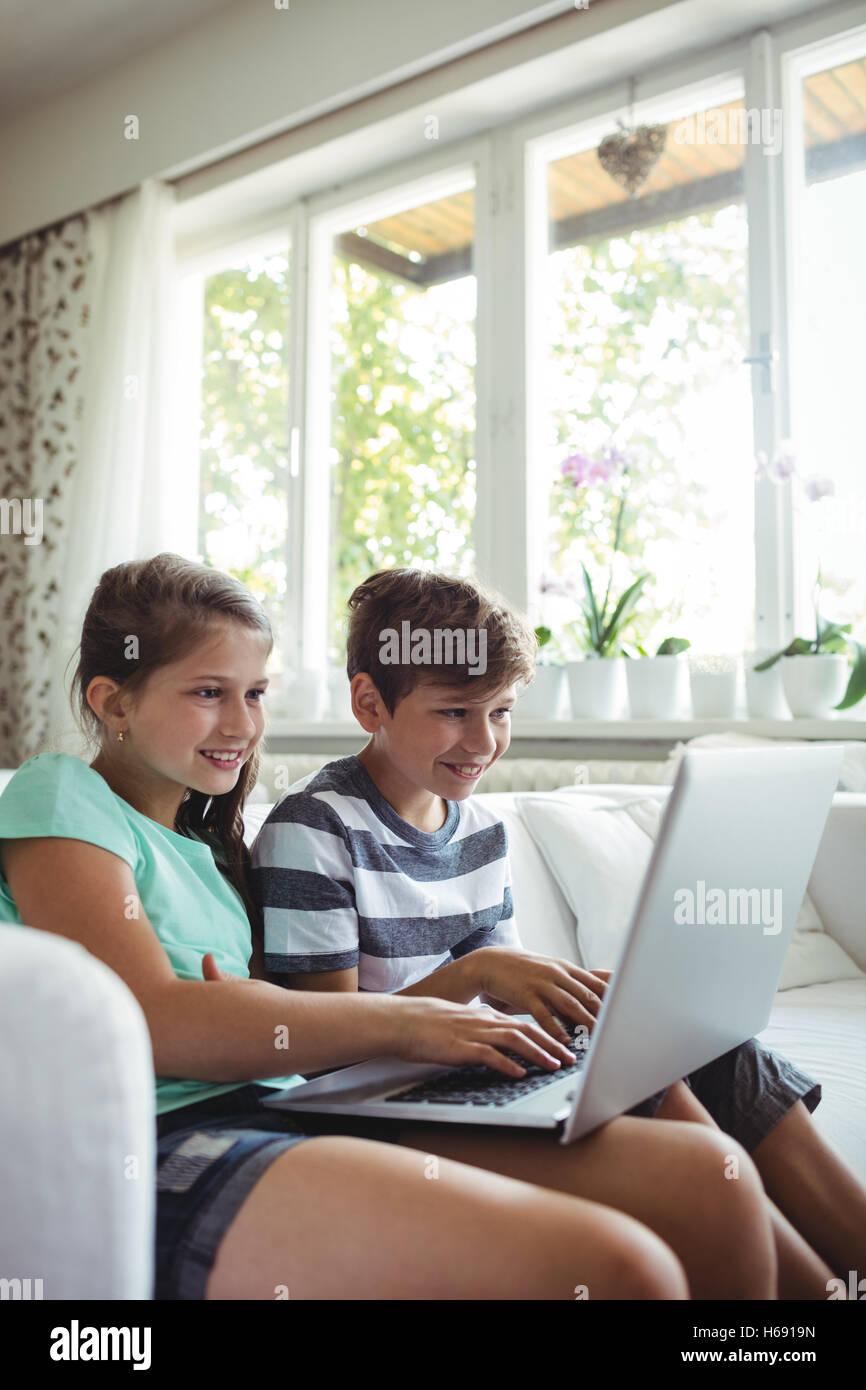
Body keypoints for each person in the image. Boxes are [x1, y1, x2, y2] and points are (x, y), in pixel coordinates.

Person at [0, 553, 825, 1300]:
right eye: (207, 692)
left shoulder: (210, 847)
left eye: (254, 694)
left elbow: (254, 1019)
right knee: (623, 1269)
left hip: (288, 1105)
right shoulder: (60, 795)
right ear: (113, 701)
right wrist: (411, 1016)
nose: (243, 724)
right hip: (174, 1133)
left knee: (706, 1183)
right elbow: (153, 1018)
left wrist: (249, 1010)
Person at [252, 565, 866, 1300]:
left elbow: (502, 997)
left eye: (502, 711)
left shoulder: (479, 829)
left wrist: (592, 1008)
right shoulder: (314, 829)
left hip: (470, 1068)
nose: (484, 740)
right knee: (656, 1090)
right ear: (369, 702)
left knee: (712, 1048)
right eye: (455, 711)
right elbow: (321, 1049)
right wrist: (479, 979)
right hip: (376, 1107)